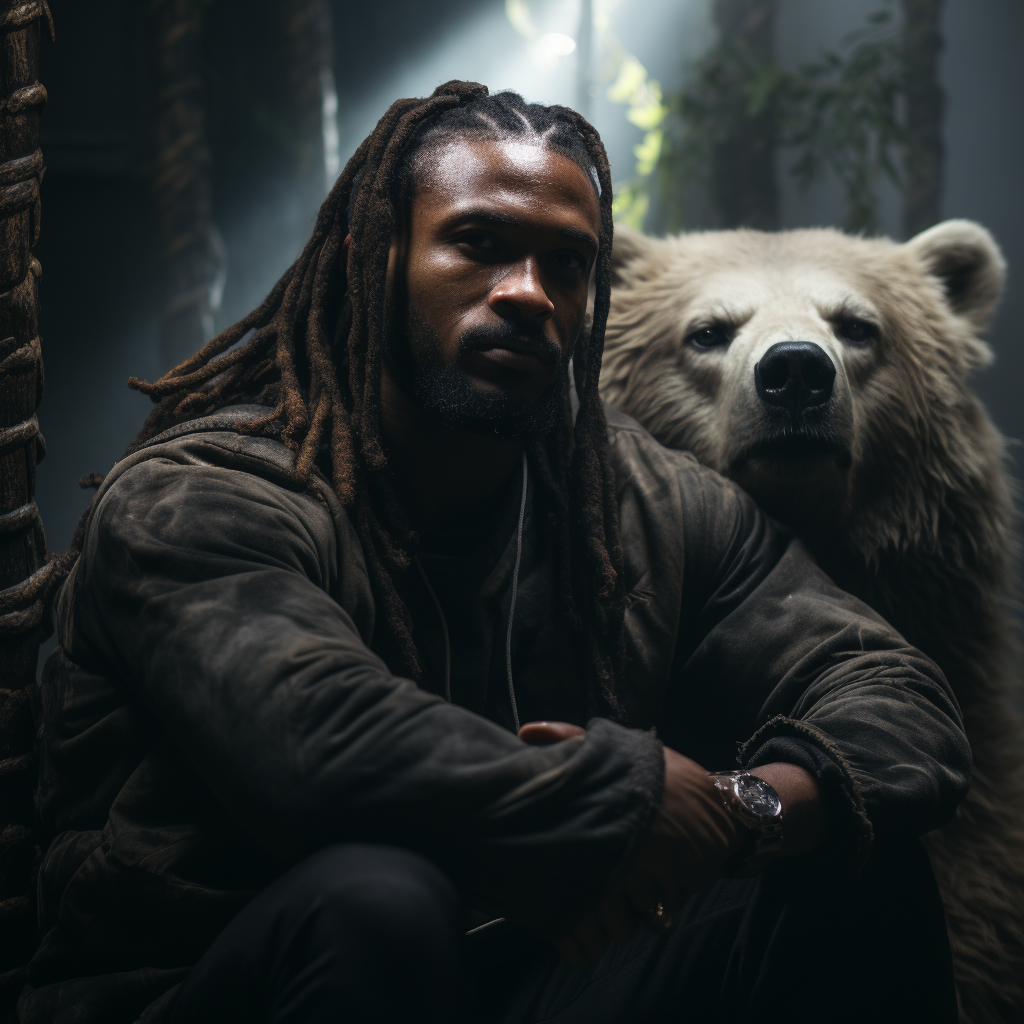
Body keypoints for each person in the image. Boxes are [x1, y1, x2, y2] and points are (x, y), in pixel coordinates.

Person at [23, 82, 967, 1024]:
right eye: (478, 244)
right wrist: (621, 800)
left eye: (566, 261)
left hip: (527, 975)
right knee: (379, 900)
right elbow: (318, 746)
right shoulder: (199, 498)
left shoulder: (633, 496)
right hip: (218, 987)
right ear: (372, 262)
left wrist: (742, 809)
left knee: (858, 868)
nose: (528, 292)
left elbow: (894, 693)